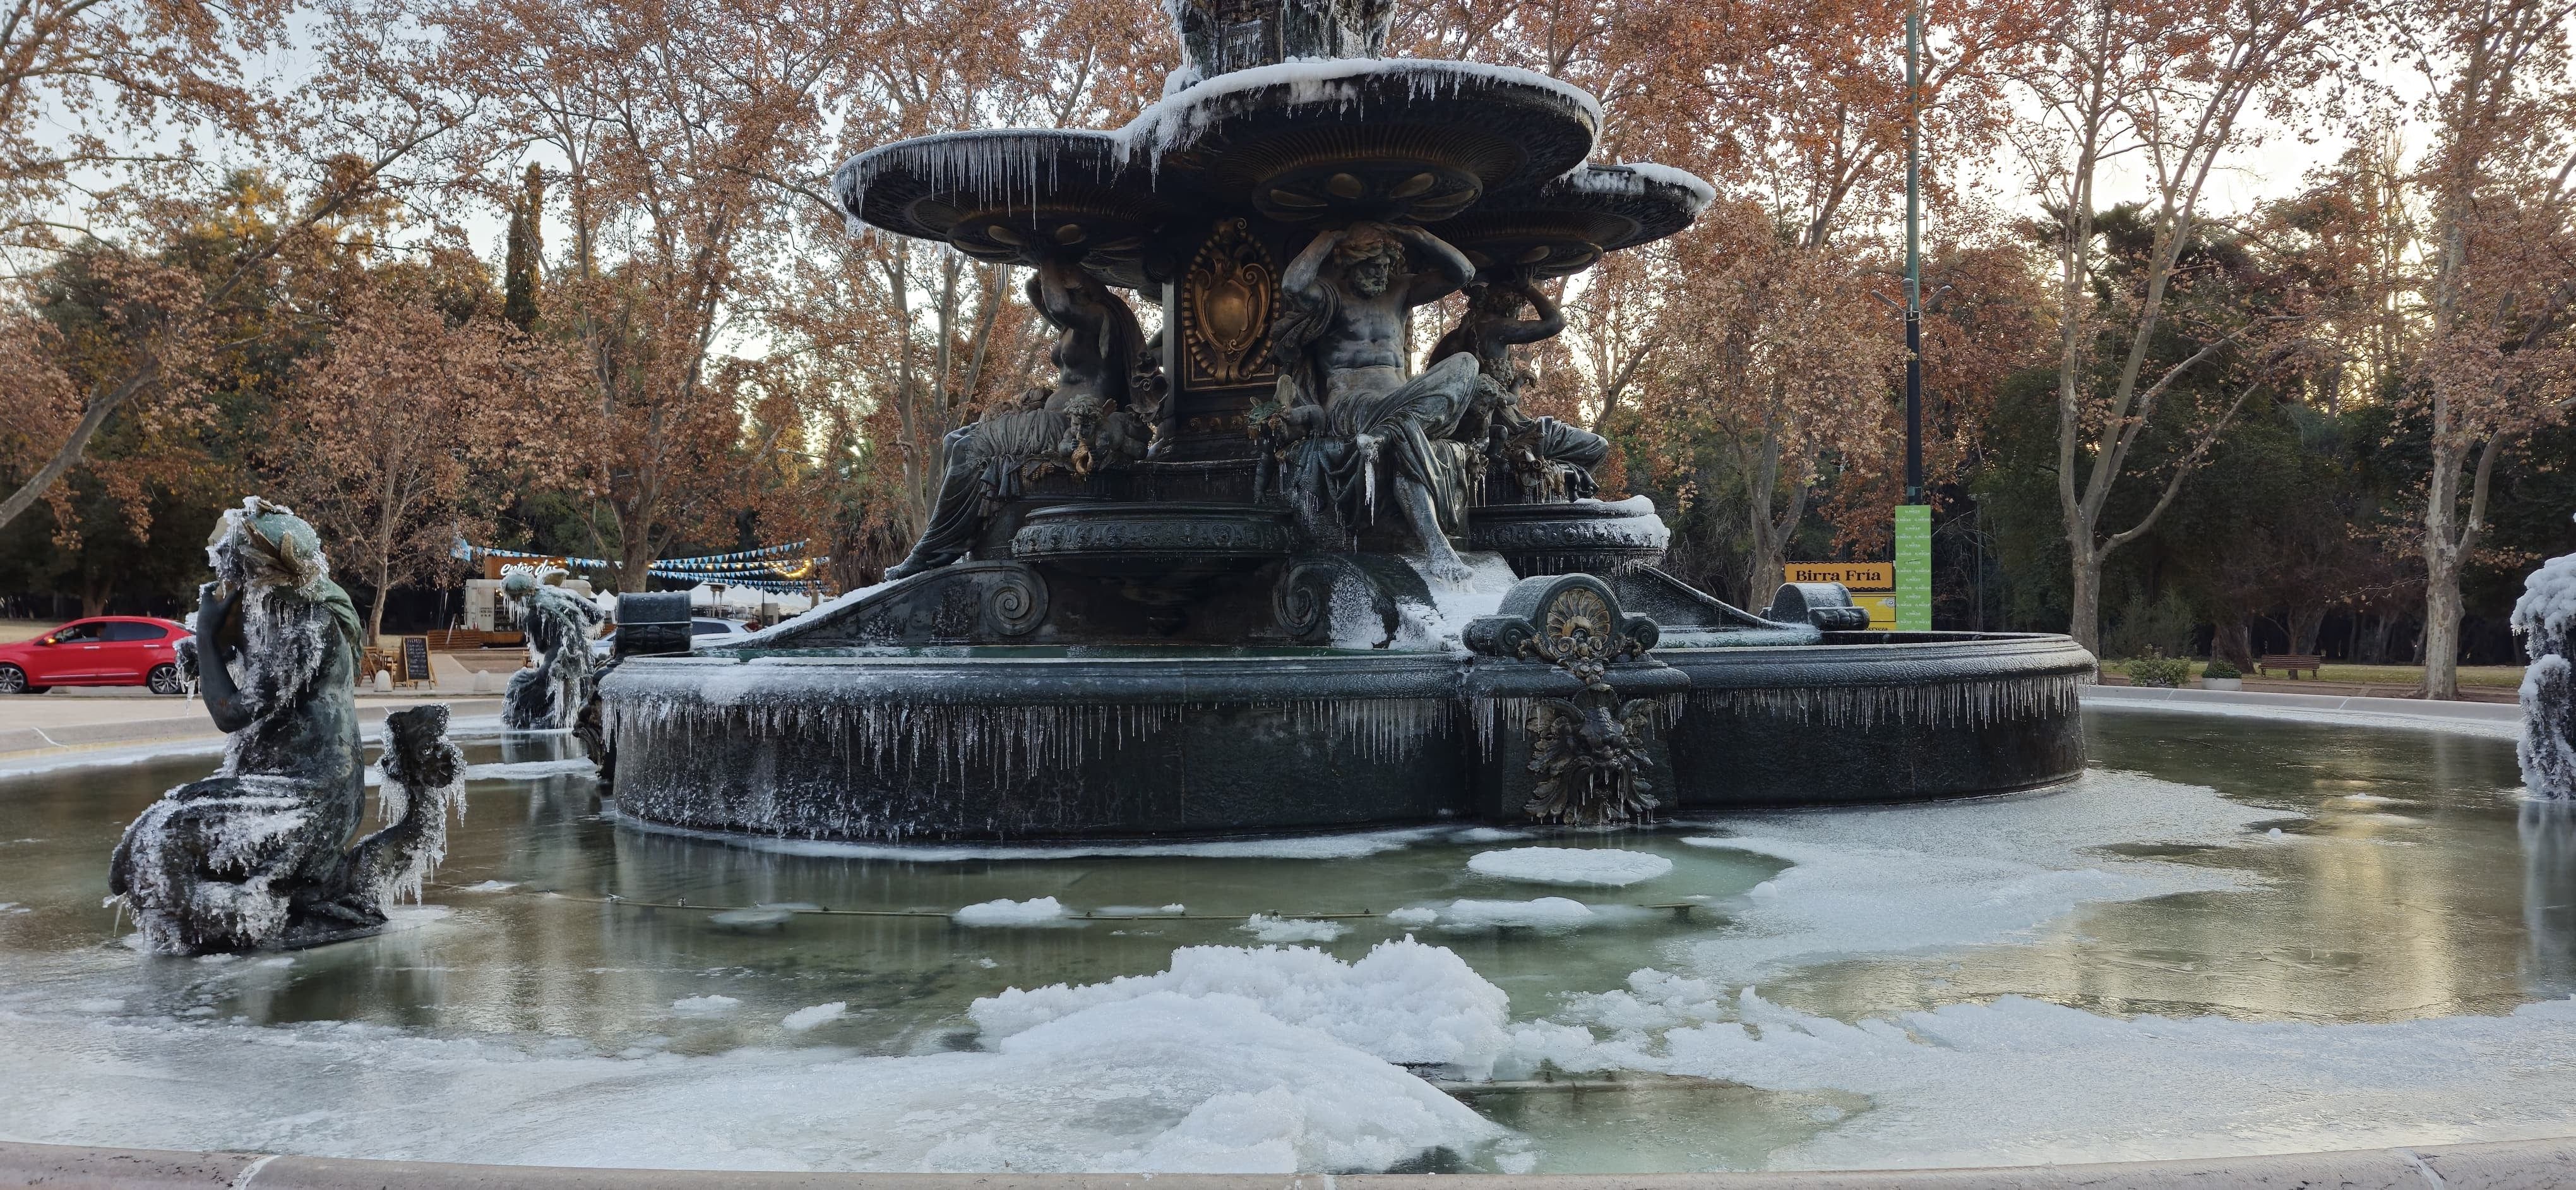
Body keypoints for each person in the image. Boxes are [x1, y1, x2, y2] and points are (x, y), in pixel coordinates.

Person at [884, 252, 1150, 579]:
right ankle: (940, 544)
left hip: (1069, 425)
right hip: (1049, 418)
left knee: (968, 450)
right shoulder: (1071, 324)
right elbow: (1038, 296)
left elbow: (1058, 306)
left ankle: (931, 551)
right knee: (955, 439)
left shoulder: (1100, 316)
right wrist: (1042, 262)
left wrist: (1046, 252)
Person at [1270, 220, 1482, 582]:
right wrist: (1329, 235)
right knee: (1405, 427)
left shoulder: (1400, 290)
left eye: (1386, 266)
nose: (1381, 274)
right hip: (1351, 405)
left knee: (1467, 363)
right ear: (1351, 264)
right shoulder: (1330, 296)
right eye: (1373, 267)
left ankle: (1389, 432)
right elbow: (1292, 284)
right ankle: (1436, 547)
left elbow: (1463, 273)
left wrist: (1420, 237)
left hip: (1400, 399)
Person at [1430, 272, 1609, 500]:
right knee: (1597, 446)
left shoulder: (1453, 340)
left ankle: (1556, 488)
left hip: (1484, 431)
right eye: (1521, 306)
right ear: (1509, 303)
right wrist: (1528, 287)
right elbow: (1556, 322)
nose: (1521, 313)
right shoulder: (1498, 329)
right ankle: (1561, 497)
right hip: (1516, 431)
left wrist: (1517, 382)